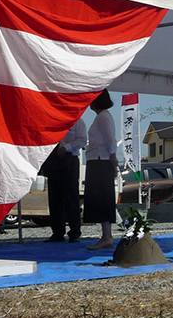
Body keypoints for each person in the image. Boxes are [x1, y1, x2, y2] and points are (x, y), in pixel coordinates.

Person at [41, 117, 87, 243]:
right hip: (54, 159)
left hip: (70, 159)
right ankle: (57, 232)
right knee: (54, 198)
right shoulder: (53, 119)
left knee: (71, 197)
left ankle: (74, 232)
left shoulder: (78, 121)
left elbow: (82, 140)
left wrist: (67, 147)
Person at [83, 90, 119, 250]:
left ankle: (107, 236)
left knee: (102, 198)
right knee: (99, 198)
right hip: (98, 160)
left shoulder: (103, 116)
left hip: (100, 160)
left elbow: (109, 138)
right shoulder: (102, 116)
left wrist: (112, 155)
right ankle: (105, 235)